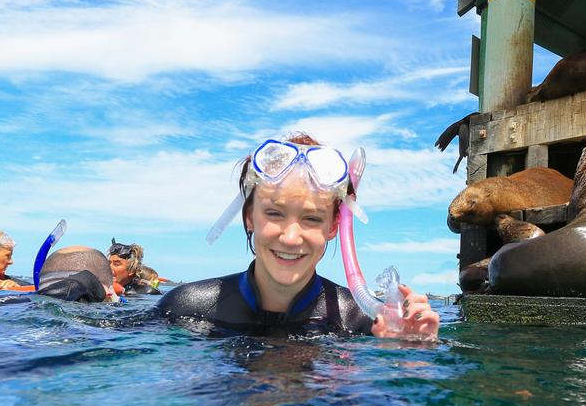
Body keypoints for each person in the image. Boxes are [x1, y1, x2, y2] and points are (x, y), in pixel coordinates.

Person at [157, 134, 440, 339]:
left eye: (312, 219)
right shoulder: (184, 307)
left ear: (333, 226)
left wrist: (411, 354)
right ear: (249, 217)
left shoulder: (361, 321)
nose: (291, 238)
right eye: (275, 214)